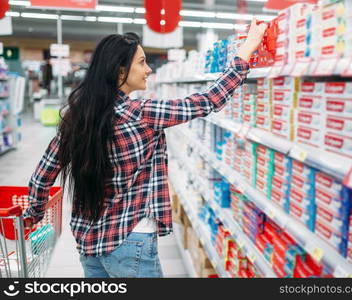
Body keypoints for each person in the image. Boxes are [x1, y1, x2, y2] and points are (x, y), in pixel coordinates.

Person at [23, 19, 267, 278]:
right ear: (120, 72)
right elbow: (208, 100)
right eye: (141, 62)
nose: (149, 69)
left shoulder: (78, 117)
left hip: (88, 242)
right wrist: (247, 48)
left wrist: (33, 214)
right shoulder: (142, 113)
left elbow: (42, 176)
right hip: (131, 239)